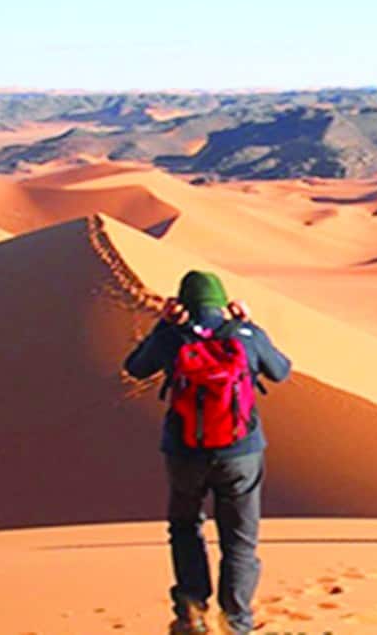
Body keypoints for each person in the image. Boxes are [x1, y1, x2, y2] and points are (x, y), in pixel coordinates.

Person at [124, 270, 291, 635]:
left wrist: (163, 327)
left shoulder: (172, 337)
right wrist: (250, 325)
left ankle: (193, 612)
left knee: (185, 528)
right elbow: (281, 370)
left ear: (184, 302)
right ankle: (235, 623)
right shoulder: (244, 335)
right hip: (241, 453)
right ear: (222, 301)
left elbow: (135, 367)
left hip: (184, 452)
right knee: (239, 542)